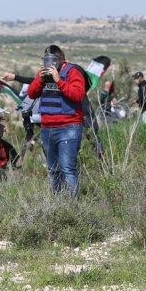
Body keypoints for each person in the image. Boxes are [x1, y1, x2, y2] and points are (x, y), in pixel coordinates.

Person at [26, 45, 87, 196]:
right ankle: (57, 202)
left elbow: (77, 95)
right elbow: (31, 93)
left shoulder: (73, 71)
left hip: (69, 127)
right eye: (46, 60)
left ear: (61, 60)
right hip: (47, 128)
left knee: (67, 168)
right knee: (53, 169)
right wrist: (40, 79)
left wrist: (59, 80)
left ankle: (72, 206)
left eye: (53, 60)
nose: (49, 63)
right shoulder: (42, 74)